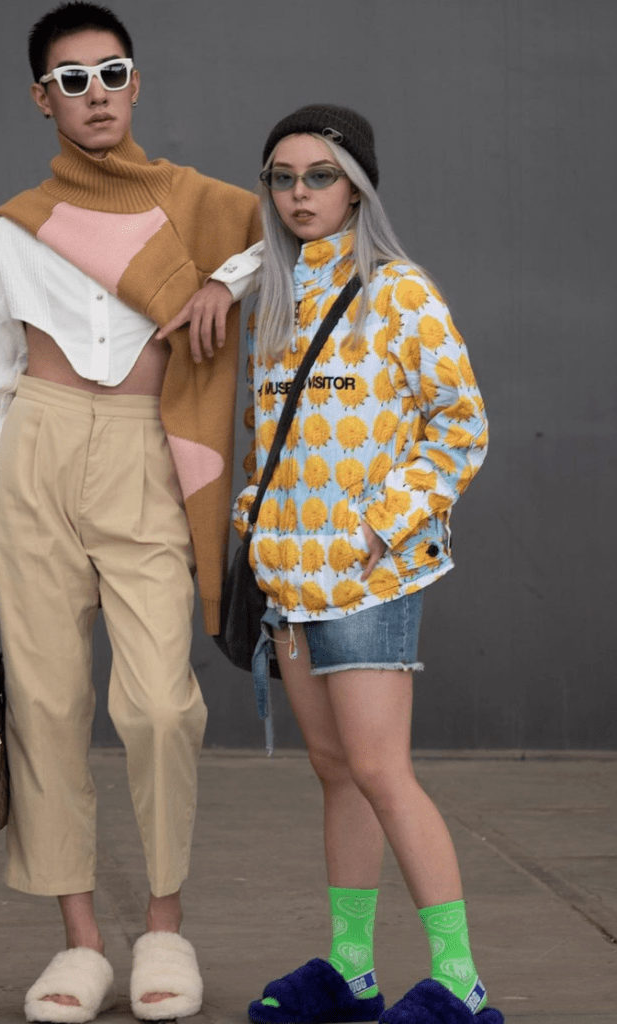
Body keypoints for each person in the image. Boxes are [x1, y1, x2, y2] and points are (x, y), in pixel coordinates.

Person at [0, 4, 259, 1021]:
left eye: (111, 72)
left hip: (140, 453)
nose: (96, 93)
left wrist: (221, 280)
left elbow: (288, 234)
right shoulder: (13, 230)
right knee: (47, 703)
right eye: (71, 80)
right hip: (35, 450)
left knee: (159, 706)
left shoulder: (201, 208)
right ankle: (79, 942)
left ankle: (163, 926)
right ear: (43, 99)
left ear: (135, 82)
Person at [225, 104, 501, 1024]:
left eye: (320, 176)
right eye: (282, 177)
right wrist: (257, 525)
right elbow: (268, 439)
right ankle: (352, 970)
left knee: (382, 772)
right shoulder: (275, 299)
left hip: (367, 579)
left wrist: (382, 526)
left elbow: (461, 426)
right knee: (335, 772)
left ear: (356, 187)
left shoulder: (399, 291)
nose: (298, 194)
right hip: (289, 581)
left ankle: (460, 982)